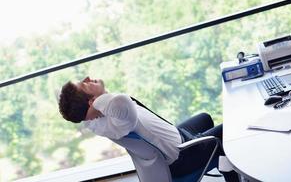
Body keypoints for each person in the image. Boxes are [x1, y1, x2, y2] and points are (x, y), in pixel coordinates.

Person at [58, 76, 238, 181]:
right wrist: (99, 98)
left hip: (176, 139)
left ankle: (224, 164)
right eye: (84, 83)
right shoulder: (118, 117)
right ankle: (233, 172)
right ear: (92, 102)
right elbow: (121, 101)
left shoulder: (97, 119)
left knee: (205, 118)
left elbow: (111, 103)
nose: (88, 78)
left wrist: (95, 99)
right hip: (183, 156)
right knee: (233, 131)